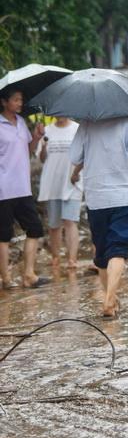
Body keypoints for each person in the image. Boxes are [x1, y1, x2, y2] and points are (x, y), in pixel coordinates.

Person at [68, 115, 128, 318]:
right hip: (124, 197)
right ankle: (108, 300)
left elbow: (75, 157)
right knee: (118, 249)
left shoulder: (86, 126)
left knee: (103, 254)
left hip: (97, 199)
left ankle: (109, 299)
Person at [0, 87, 46, 288]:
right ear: (4, 102)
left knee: (35, 229)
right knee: (3, 235)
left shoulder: (21, 123)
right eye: (16, 100)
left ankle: (29, 274)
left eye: (21, 100)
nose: (20, 103)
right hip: (3, 188)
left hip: (23, 187)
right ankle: (6, 279)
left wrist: (35, 137)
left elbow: (26, 152)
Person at [37, 116, 82, 276]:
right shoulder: (47, 131)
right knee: (54, 224)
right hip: (52, 183)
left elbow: (83, 155)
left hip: (72, 182)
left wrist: (77, 173)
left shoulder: (77, 129)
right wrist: (43, 145)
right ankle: (56, 257)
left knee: (70, 221)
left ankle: (72, 259)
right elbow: (42, 159)